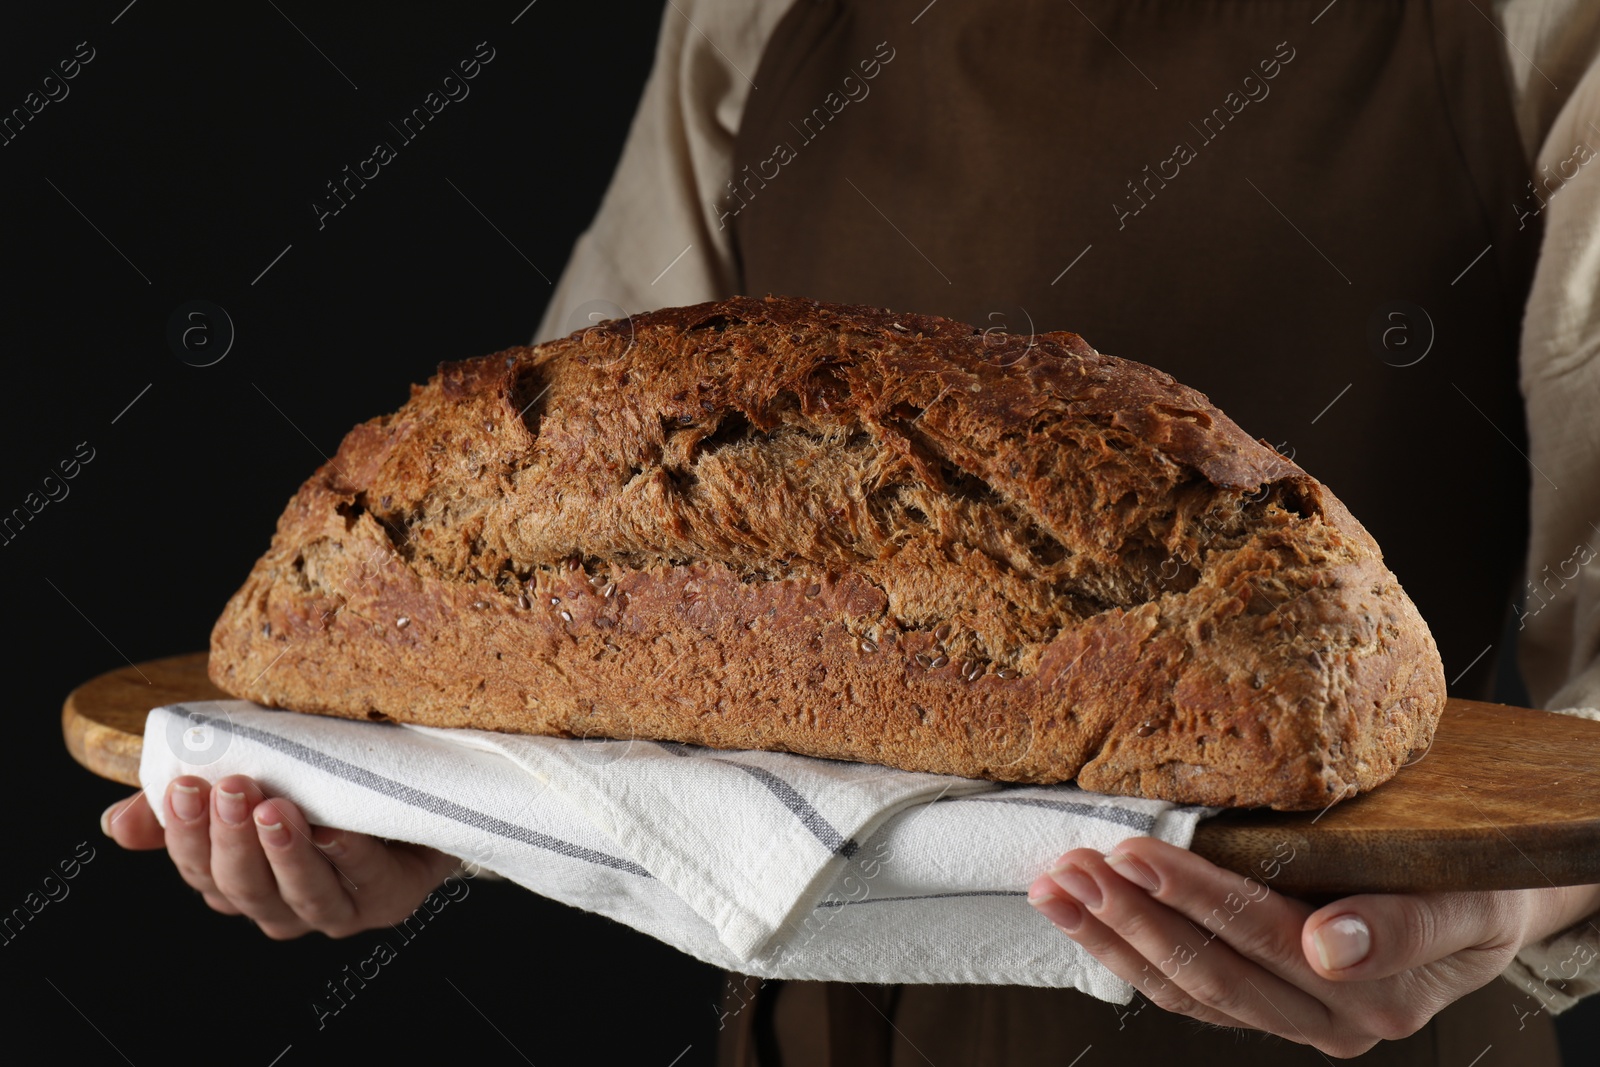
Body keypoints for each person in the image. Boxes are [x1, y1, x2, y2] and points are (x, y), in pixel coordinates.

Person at [105, 0, 1600, 1062]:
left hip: (1352, 1023)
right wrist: (418, 809)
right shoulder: (754, 16)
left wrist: (1503, 897)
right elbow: (573, 579)